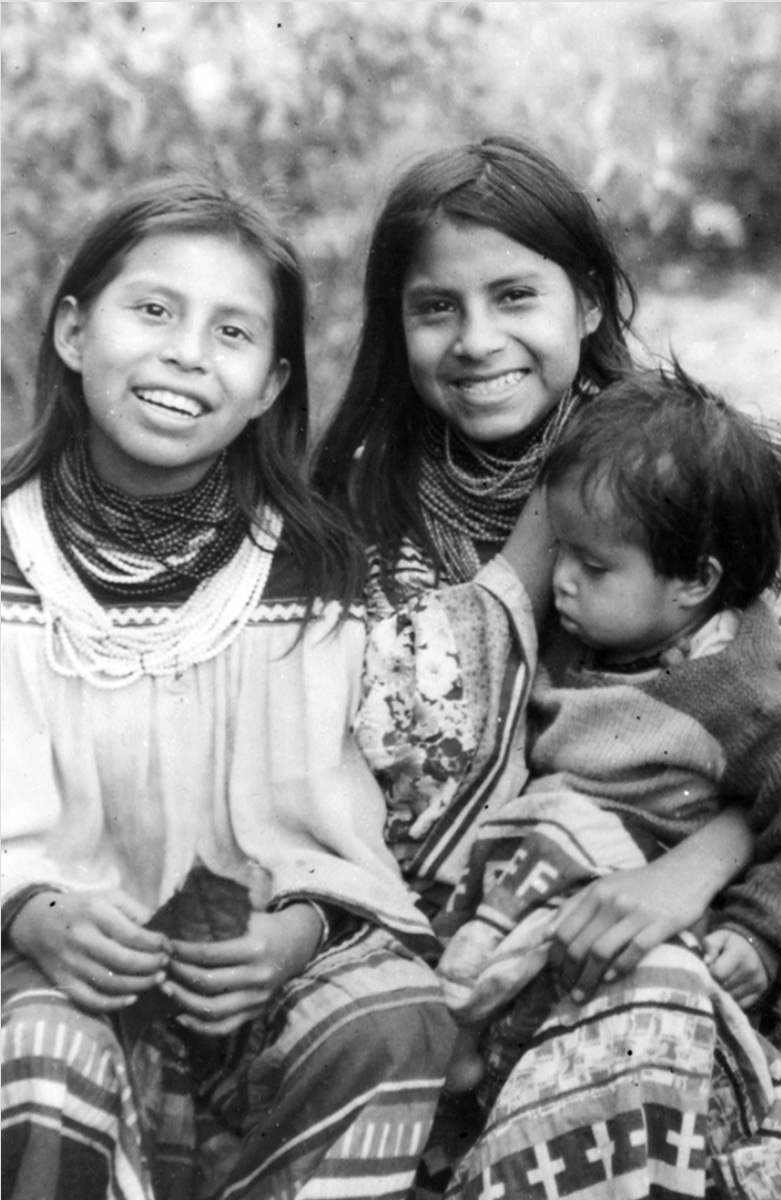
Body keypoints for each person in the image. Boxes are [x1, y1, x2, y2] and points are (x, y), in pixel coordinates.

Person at [313, 135, 781, 1200]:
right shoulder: (359, 510)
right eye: (435, 309)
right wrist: (526, 556)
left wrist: (687, 872)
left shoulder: (665, 465)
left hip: (700, 886)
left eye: (515, 296)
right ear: (394, 323)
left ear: (590, 303)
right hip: (450, 913)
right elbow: (398, 755)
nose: (477, 341)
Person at [0, 177, 455, 1200]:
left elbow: (342, 828)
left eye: (232, 331)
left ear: (268, 384)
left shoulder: (318, 572)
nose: (185, 353)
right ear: (74, 329)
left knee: (391, 1018)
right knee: (42, 1049)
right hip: (35, 968)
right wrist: (29, 913)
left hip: (251, 974)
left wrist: (298, 928)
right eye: (152, 310)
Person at [434, 364, 781, 1094]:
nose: (561, 577)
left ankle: (468, 1024)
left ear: (695, 581)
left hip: (634, 896)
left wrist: (762, 935)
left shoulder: (739, 688)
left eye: (593, 565)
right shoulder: (607, 630)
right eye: (560, 550)